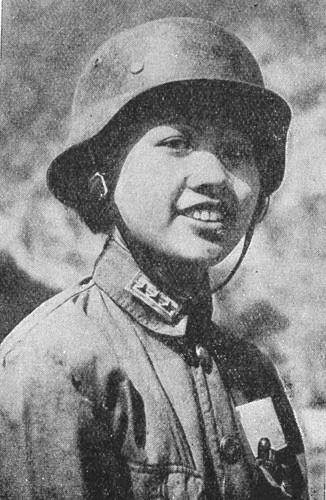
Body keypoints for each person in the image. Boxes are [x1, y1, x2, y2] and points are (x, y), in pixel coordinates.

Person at [0, 17, 309, 499]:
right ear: (102, 175)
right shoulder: (57, 362)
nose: (212, 175)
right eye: (176, 143)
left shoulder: (250, 370)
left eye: (235, 151)